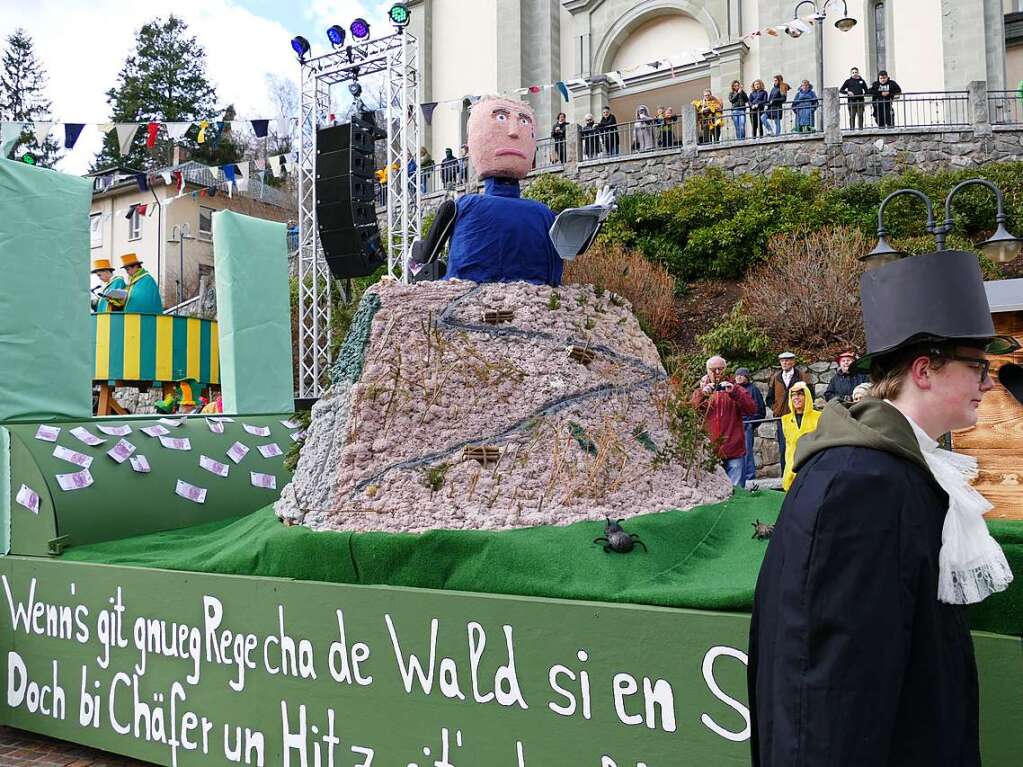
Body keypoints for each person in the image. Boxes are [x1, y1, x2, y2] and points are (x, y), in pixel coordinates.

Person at [749, 248, 1017, 766]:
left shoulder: (899, 469)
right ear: (924, 369)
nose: (988, 383)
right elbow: (826, 686)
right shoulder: (859, 484)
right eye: (977, 367)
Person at [691, 355, 758, 486]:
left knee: (737, 493)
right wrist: (702, 395)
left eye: (720, 369)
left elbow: (752, 409)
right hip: (710, 452)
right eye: (713, 369)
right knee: (712, 493)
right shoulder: (701, 390)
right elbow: (691, 412)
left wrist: (734, 391)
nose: (717, 373)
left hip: (734, 450)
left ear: (725, 370)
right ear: (707, 371)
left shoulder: (735, 388)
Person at [765, 351, 813, 476]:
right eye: (782, 361)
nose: (784, 363)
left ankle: (804, 475)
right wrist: (776, 408)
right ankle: (785, 476)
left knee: (803, 445)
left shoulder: (802, 376)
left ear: (793, 362)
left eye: (787, 360)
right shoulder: (776, 378)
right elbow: (769, 397)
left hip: (801, 415)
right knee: (784, 448)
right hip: (783, 417)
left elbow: (811, 394)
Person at [779, 381, 820, 490]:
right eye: (793, 395)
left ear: (807, 396)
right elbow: (786, 447)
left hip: (813, 467)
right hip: (792, 469)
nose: (796, 398)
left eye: (800, 394)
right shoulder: (785, 420)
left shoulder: (819, 417)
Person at [735, 367, 766, 487]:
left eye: (742, 375)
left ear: (747, 377)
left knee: (747, 451)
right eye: (737, 375)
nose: (739, 377)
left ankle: (749, 477)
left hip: (747, 424)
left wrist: (752, 422)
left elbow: (760, 409)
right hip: (735, 425)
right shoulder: (733, 389)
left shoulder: (753, 390)